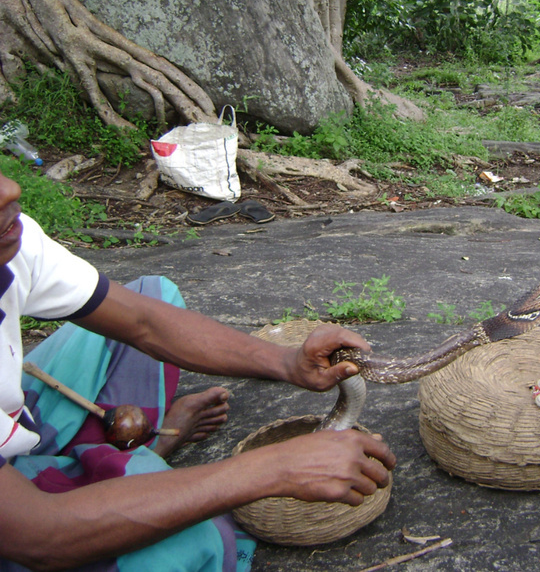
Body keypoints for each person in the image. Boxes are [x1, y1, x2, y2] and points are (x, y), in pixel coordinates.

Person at [0, 170, 396, 571]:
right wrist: (274, 468)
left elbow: (143, 321)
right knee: (192, 541)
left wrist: (286, 362)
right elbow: (38, 534)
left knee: (150, 293)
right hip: (26, 525)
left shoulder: (11, 239)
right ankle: (131, 465)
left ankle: (114, 462)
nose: (10, 190)